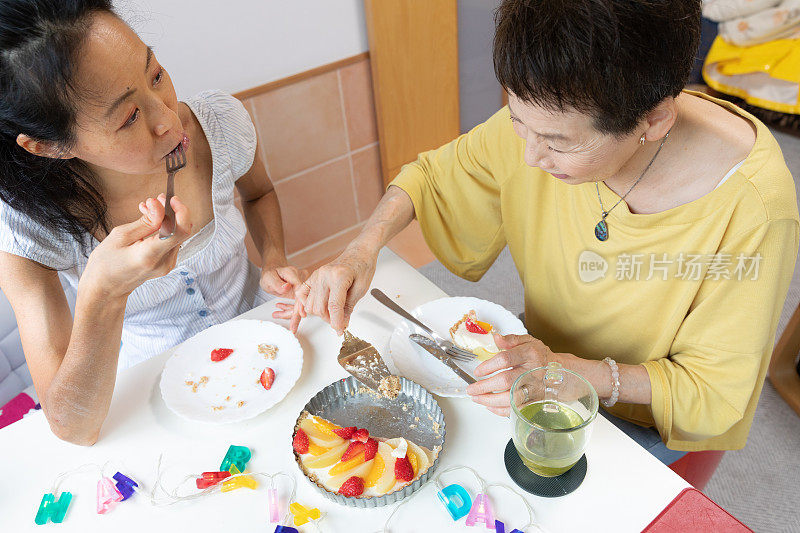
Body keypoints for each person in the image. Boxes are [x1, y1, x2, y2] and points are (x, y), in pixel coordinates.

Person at [281, 0, 799, 462]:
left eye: (556, 142)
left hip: (643, 419)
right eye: (517, 122)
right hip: (534, 365)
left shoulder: (752, 209)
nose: (529, 156)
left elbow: (711, 390)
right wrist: (360, 250)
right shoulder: (554, 111)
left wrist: (570, 373)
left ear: (656, 119)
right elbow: (437, 175)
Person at [0, 0, 304, 445]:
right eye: (129, 118)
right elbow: (74, 428)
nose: (169, 118)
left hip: (267, 340)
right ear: (49, 146)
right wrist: (104, 294)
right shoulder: (29, 227)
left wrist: (275, 256)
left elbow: (259, 193)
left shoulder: (217, 123)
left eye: (156, 74)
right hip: (153, 398)